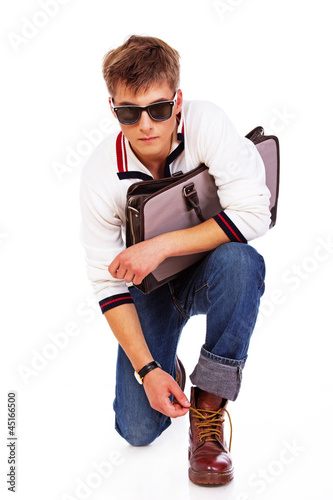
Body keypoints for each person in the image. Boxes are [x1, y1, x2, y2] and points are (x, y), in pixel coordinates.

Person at [79, 34, 270, 485]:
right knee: (138, 431)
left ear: (177, 100)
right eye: (130, 112)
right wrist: (147, 369)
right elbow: (106, 286)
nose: (146, 124)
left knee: (244, 262)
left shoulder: (207, 123)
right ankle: (168, 365)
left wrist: (160, 245)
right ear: (113, 109)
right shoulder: (99, 175)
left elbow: (254, 212)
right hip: (148, 292)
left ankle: (208, 407)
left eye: (159, 109)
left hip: (210, 271)